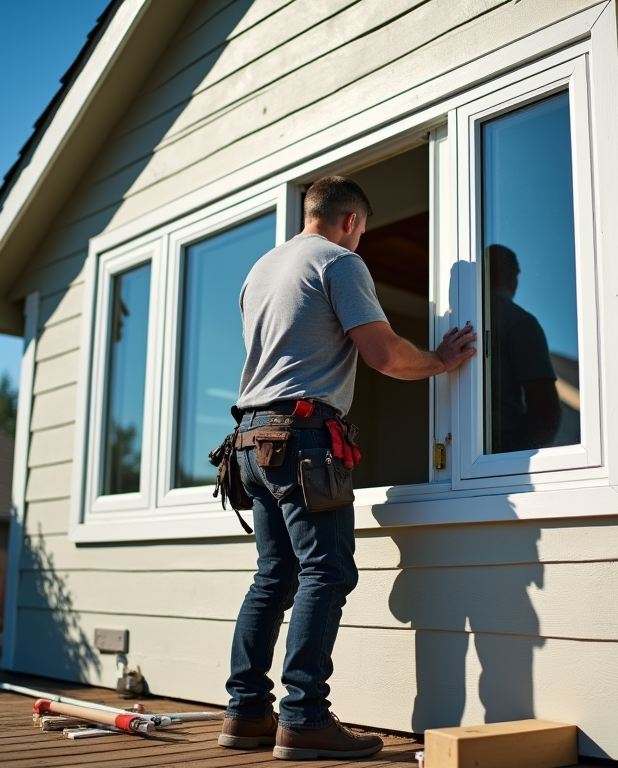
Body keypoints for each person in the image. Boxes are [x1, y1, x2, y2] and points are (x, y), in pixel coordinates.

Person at [219, 175, 476, 761]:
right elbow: (383, 355)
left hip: (250, 441)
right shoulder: (338, 263)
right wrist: (439, 361)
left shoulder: (261, 270)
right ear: (352, 222)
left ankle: (246, 713)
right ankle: (304, 718)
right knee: (325, 573)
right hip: (303, 439)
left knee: (273, 578)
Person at [485, 245, 561, 453]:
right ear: (513, 280)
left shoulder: (455, 321)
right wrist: (524, 458)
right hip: (505, 449)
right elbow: (545, 408)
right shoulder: (519, 322)